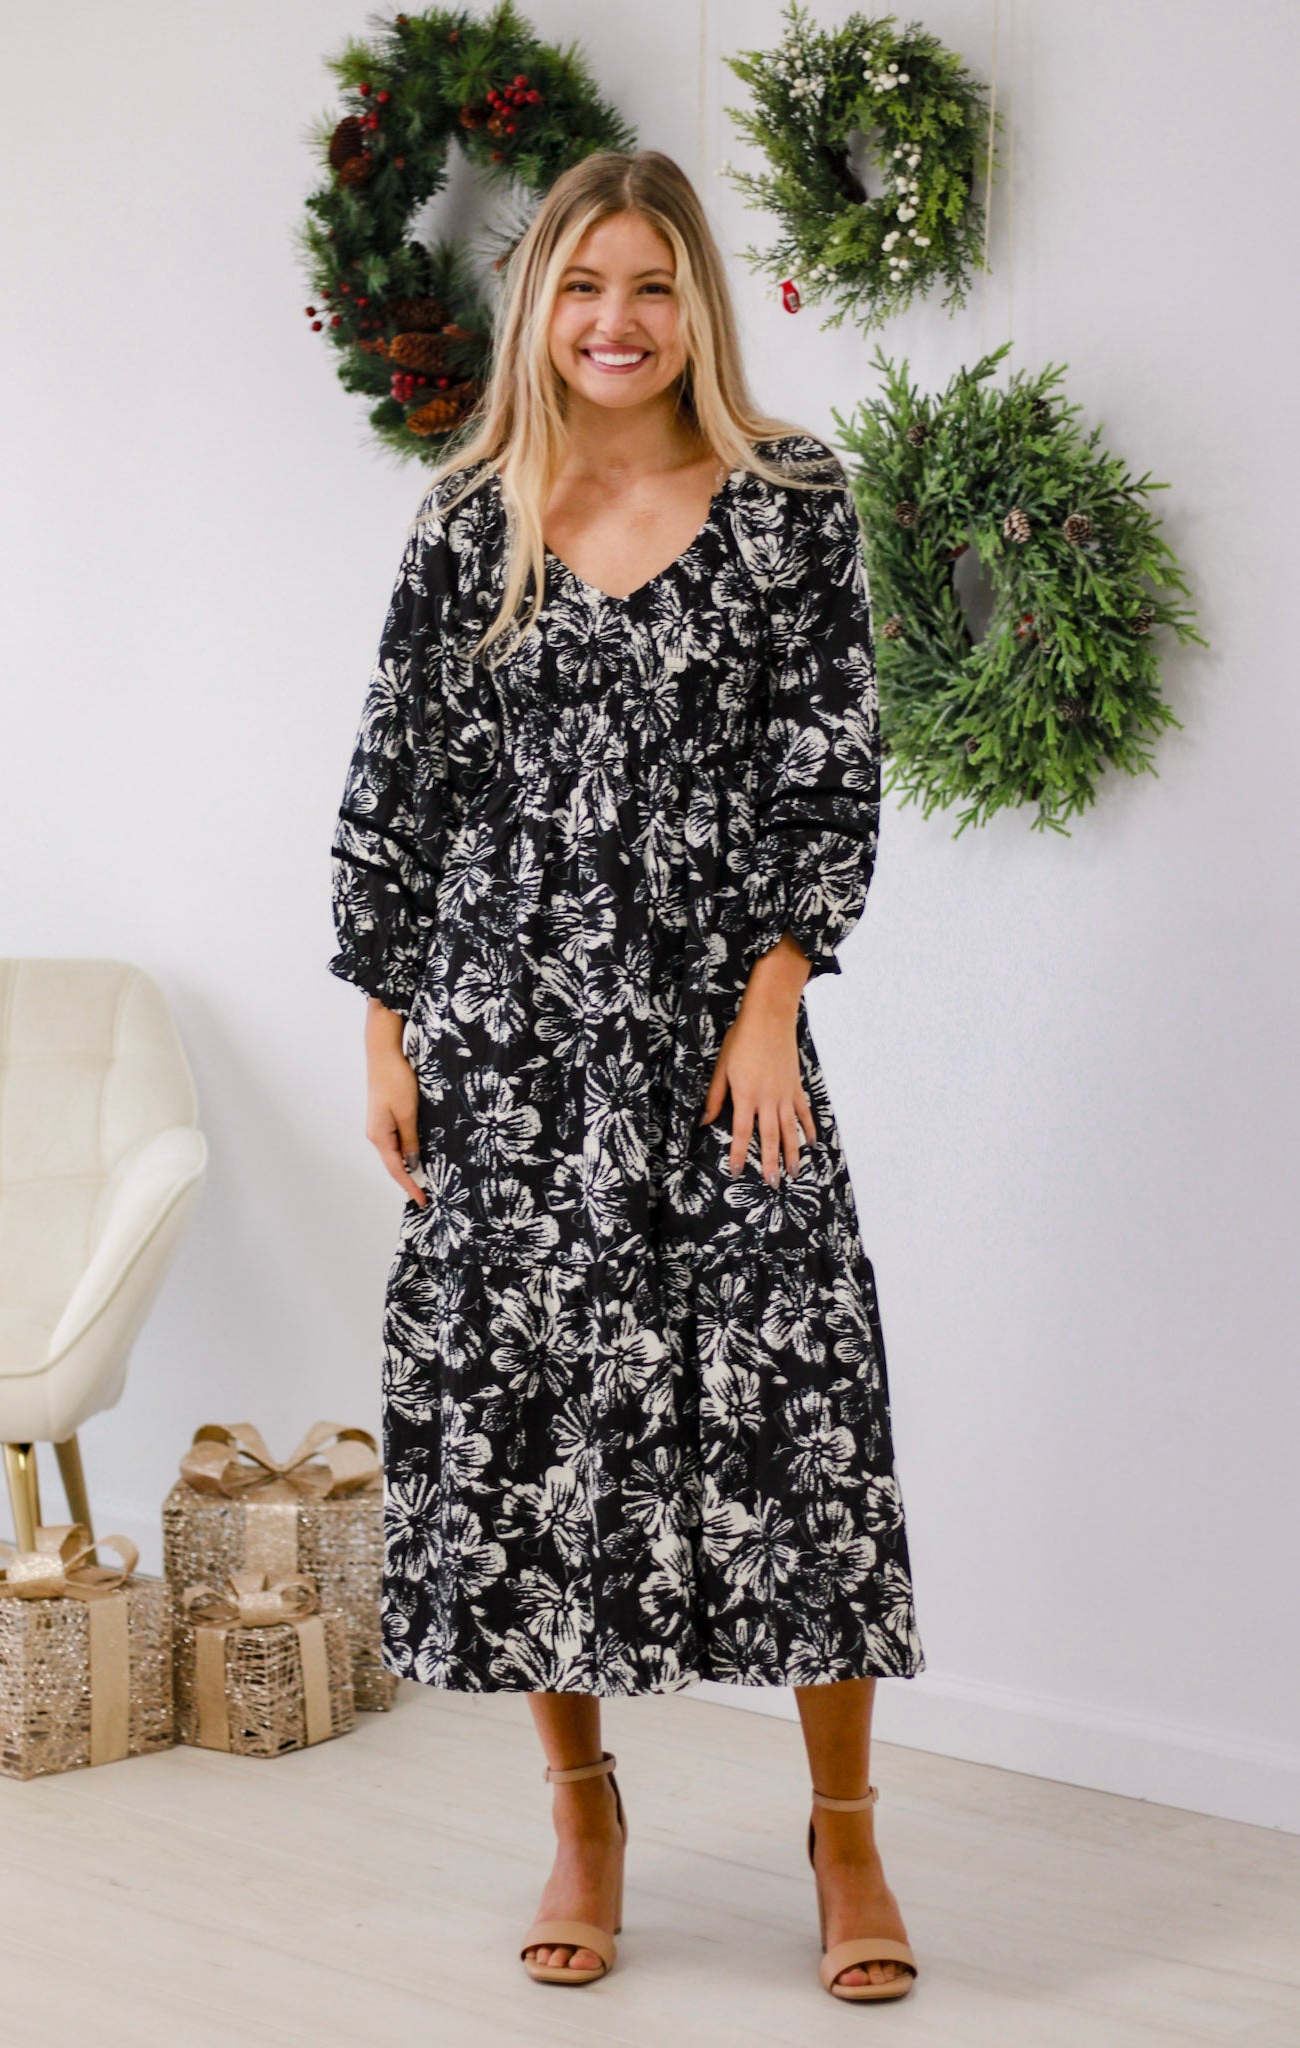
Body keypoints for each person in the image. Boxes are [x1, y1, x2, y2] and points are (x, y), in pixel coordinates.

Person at [327, 149, 925, 2004]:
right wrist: (385, 1027)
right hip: (504, 1043)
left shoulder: (788, 501)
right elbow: (398, 785)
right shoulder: (469, 515)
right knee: (530, 1424)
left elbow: (828, 767)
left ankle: (845, 1833)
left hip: (718, 1040)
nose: (616, 320)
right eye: (583, 285)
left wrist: (772, 1002)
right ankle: (581, 1816)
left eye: (651, 284)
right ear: (539, 309)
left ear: (695, 306)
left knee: (800, 1411)